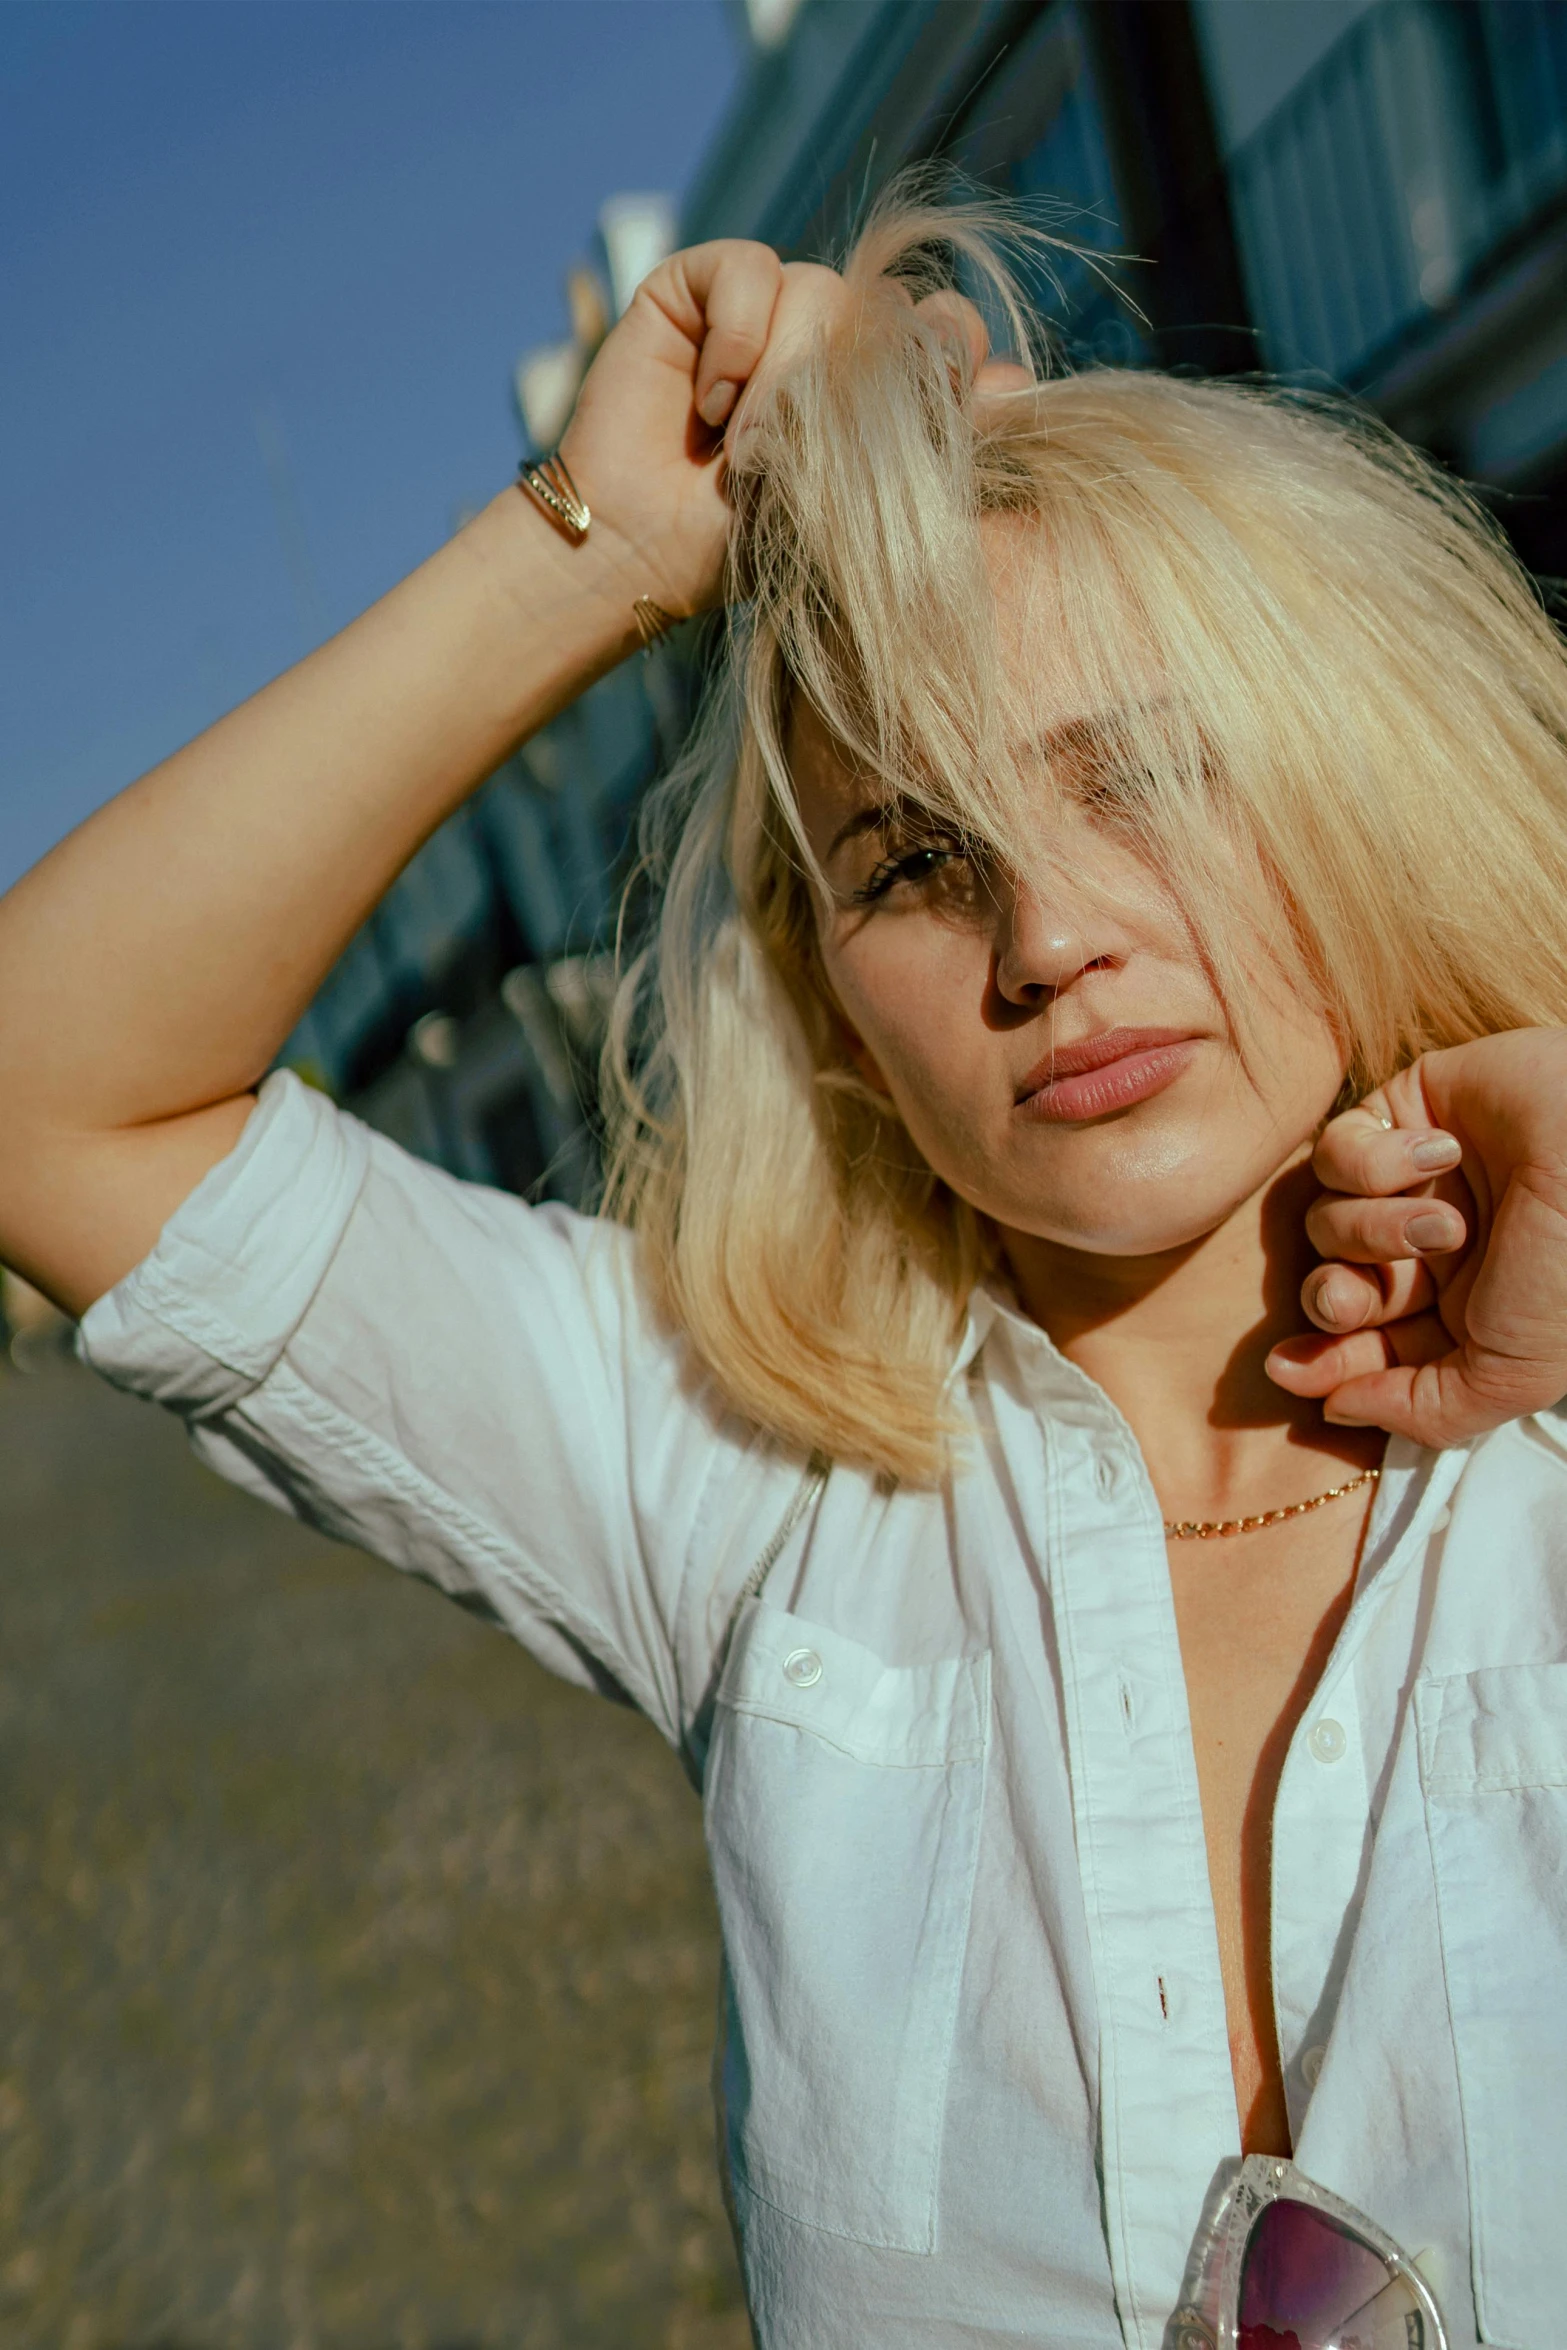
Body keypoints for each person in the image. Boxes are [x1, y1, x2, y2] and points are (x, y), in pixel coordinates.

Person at [2, 190, 1566, 2350]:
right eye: (915, 857)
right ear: (831, 998)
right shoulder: (746, 1473)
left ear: (1346, 762)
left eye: (1146, 770)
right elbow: (45, 1089)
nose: (1045, 936)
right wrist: (610, 545)